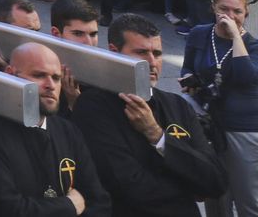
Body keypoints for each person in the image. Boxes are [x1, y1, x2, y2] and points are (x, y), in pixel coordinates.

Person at [73, 14, 225, 217]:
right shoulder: (94, 106)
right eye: (141, 52)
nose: (152, 62)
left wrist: (156, 134)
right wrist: (188, 187)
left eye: (157, 53)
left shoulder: (178, 106)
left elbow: (215, 180)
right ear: (114, 52)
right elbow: (126, 184)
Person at [0, 43, 110, 217]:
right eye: (39, 75)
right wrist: (69, 206)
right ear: (10, 74)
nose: (51, 85)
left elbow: (99, 201)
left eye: (56, 78)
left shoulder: (67, 130)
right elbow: (7, 208)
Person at [180, 0, 258, 217]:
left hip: (245, 132)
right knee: (216, 202)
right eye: (223, 9)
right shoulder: (199, 34)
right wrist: (190, 79)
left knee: (247, 204)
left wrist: (235, 38)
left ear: (246, 13)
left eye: (237, 11)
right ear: (213, 7)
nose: (229, 16)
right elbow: (188, 65)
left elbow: (246, 76)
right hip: (208, 128)